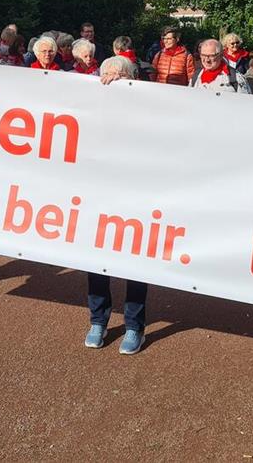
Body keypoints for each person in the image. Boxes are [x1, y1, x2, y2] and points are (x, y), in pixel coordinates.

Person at [86, 55, 147, 354]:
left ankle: (135, 326)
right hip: (99, 192)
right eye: (108, 75)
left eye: (120, 76)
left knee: (135, 262)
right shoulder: (91, 103)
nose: (113, 80)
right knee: (96, 260)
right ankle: (99, 320)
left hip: (135, 193)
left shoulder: (147, 106)